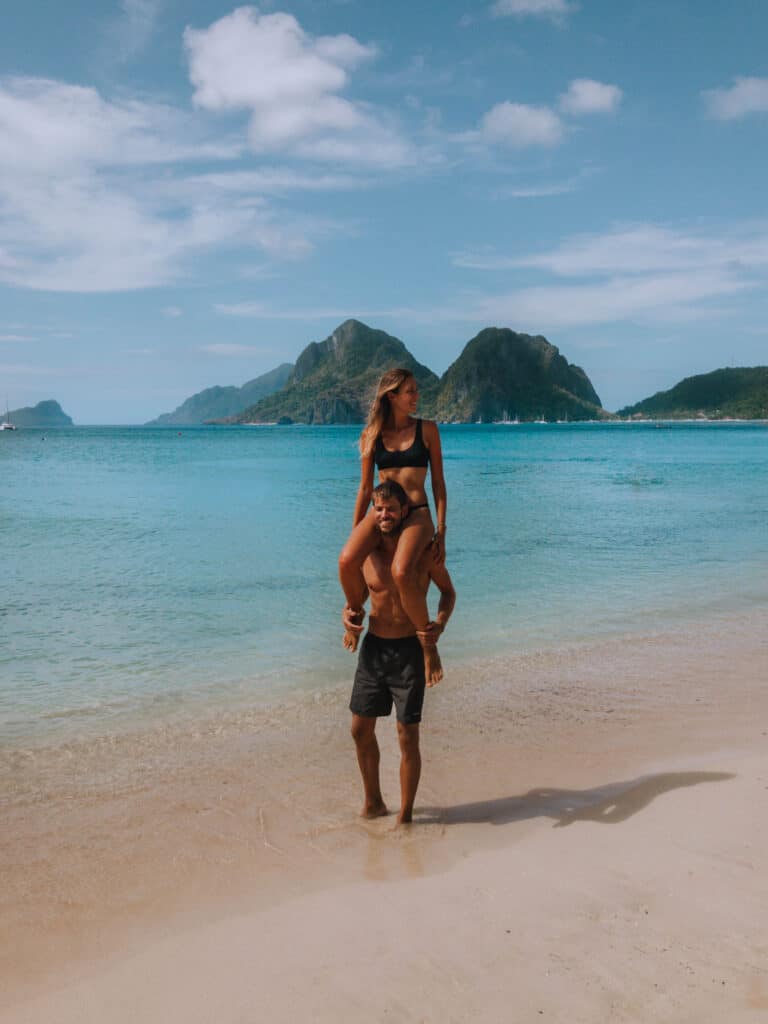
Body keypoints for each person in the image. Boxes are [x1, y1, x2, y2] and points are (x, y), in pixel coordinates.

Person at [343, 481, 456, 825]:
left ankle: (405, 817)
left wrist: (440, 621)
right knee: (360, 730)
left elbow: (448, 593)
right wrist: (348, 617)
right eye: (378, 509)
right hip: (375, 649)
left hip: (409, 650)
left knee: (407, 736)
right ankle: (374, 802)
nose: (384, 515)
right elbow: (359, 600)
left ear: (404, 511)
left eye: (391, 509)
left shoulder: (422, 555)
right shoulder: (367, 556)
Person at [338, 368, 447, 684]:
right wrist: (357, 530)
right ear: (392, 396)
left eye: (416, 390)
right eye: (410, 391)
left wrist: (442, 529)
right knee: (346, 560)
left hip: (416, 513)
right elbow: (364, 489)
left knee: (401, 572)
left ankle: (427, 645)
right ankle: (356, 616)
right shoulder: (371, 435)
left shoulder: (428, 430)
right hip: (382, 509)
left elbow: (438, 482)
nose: (416, 396)